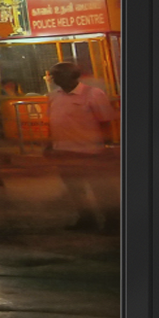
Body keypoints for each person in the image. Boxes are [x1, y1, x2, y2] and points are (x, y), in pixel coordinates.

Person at [45, 59, 119, 232]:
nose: (53, 79)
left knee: (101, 189)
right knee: (75, 189)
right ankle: (87, 220)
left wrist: (106, 146)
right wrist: (49, 145)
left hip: (90, 150)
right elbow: (52, 122)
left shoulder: (94, 94)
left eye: (56, 75)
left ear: (70, 76)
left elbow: (105, 121)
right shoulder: (54, 96)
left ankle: (113, 222)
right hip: (63, 151)